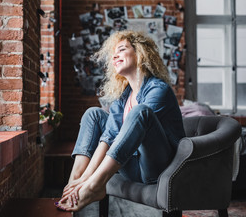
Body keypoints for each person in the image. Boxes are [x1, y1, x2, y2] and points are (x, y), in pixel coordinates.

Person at [54, 30, 185, 212]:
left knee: (141, 112)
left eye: (122, 49)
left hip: (157, 168)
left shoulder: (159, 90)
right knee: (94, 114)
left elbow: (132, 133)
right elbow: (109, 138)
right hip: (130, 165)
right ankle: (73, 184)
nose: (115, 55)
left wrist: (93, 181)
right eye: (113, 53)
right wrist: (85, 178)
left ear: (140, 53)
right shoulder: (123, 97)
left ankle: (93, 186)